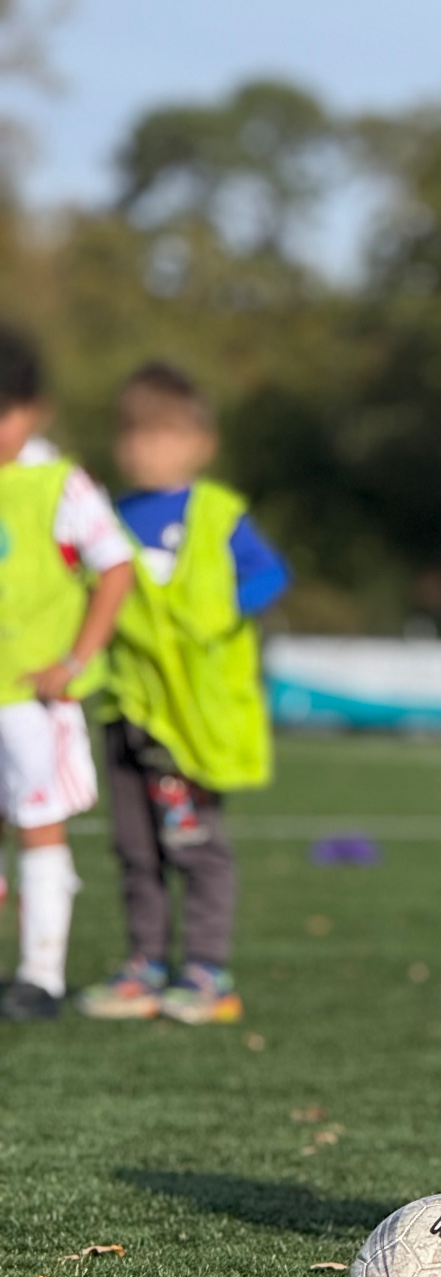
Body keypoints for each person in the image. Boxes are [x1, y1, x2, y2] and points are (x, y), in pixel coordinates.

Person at [77, 363, 288, 1024]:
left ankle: (205, 970)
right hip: (129, 709)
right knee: (134, 850)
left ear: (201, 444)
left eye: (164, 435)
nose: (146, 448)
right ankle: (144, 964)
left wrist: (223, 613)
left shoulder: (217, 515)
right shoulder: (106, 515)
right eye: (134, 435)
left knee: (194, 845)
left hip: (189, 721)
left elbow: (269, 574)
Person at [0, 326, 134, 1021]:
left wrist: (74, 660)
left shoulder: (60, 484)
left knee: (38, 822)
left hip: (30, 697)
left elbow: (116, 566)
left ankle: (39, 976)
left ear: (34, 411)